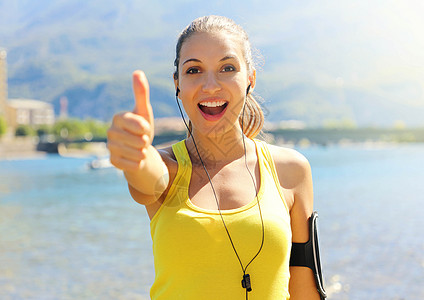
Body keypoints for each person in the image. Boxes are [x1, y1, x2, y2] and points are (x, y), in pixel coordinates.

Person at [108, 15, 321, 300]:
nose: (210, 86)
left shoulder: (291, 170)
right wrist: (137, 155)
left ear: (250, 79)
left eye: (227, 68)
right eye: (194, 70)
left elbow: (306, 288)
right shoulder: (168, 169)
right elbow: (147, 177)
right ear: (177, 84)